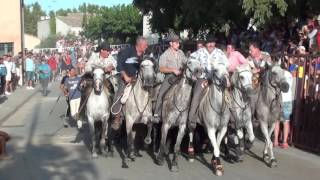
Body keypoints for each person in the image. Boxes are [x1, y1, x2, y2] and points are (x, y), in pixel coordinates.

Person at [188, 35, 229, 130]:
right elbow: (190, 60)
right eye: (209, 42)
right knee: (196, 94)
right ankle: (192, 119)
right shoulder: (200, 52)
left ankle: (232, 118)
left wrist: (221, 68)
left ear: (215, 43)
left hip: (217, 79)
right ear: (206, 44)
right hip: (203, 78)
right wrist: (197, 66)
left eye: (212, 42)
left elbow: (227, 64)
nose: (210, 44)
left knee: (228, 95)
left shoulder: (219, 53)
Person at [111, 36, 148, 129]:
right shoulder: (127, 51)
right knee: (120, 93)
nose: (147, 46)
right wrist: (125, 76)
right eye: (145, 45)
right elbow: (119, 65)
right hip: (125, 77)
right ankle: (117, 117)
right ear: (140, 45)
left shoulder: (144, 54)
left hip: (138, 78)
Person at [153, 32, 187, 122]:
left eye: (179, 43)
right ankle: (157, 114)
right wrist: (172, 70)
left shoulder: (181, 53)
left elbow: (185, 63)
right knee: (161, 93)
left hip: (182, 76)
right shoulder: (165, 54)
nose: (178, 44)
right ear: (171, 43)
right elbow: (161, 68)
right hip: (170, 77)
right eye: (176, 43)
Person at [274, 69, 294, 149]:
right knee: (286, 122)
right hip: (287, 100)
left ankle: (275, 141)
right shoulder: (289, 74)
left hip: (280, 100)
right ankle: (284, 142)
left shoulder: (278, 75)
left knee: (277, 121)